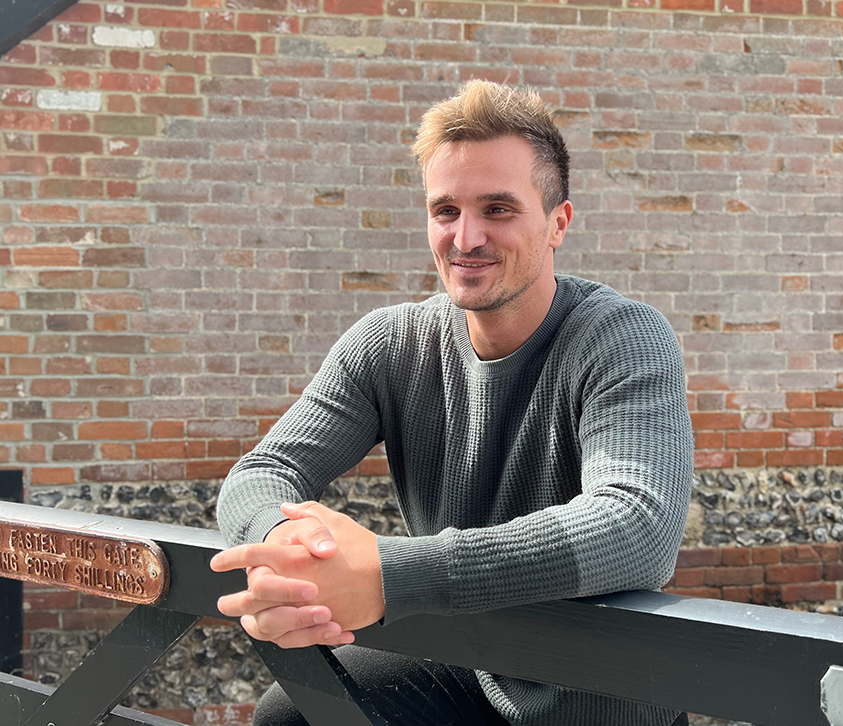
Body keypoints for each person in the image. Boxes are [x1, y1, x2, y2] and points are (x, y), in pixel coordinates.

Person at [211, 80, 694, 726]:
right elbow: (259, 474)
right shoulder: (390, 345)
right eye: (445, 211)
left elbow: (634, 529)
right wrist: (294, 552)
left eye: (497, 209)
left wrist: (389, 574)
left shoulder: (622, 338)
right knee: (295, 715)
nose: (465, 238)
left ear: (557, 223)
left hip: (596, 697)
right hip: (470, 664)